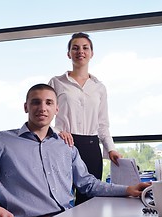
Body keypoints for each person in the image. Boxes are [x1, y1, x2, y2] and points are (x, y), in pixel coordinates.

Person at [0, 83, 149, 217]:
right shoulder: (1, 141)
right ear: (26, 107)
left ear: (56, 110)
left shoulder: (66, 146)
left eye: (49, 102)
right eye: (36, 102)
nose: (42, 107)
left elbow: (88, 184)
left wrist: (127, 190)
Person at [49, 32, 122, 205]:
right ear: (69, 54)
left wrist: (111, 149)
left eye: (85, 47)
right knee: (61, 199)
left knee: (89, 202)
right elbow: (47, 115)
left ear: (91, 53)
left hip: (91, 147)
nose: (80, 51)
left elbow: (103, 124)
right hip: (64, 145)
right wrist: (58, 133)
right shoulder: (56, 82)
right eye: (75, 48)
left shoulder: (99, 87)